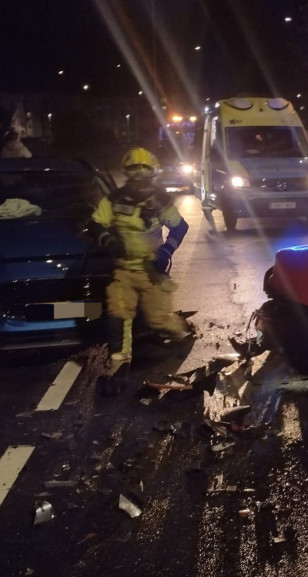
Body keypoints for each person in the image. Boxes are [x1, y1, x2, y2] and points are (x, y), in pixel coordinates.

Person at [85, 147, 192, 394]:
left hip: (151, 271)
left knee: (158, 320)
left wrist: (165, 252)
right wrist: (109, 241)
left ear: (152, 177)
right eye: (136, 177)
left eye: (146, 178)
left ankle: (182, 332)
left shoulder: (160, 200)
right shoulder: (113, 200)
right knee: (118, 314)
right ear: (128, 176)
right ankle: (118, 367)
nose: (142, 183)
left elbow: (179, 227)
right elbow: (95, 224)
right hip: (124, 270)